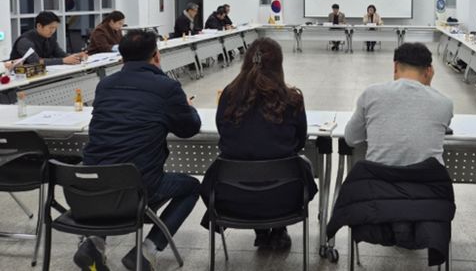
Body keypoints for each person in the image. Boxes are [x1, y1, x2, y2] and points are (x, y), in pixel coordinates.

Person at [74, 30, 201, 271]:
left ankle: (94, 243)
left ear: (122, 58)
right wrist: (188, 107)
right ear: (156, 56)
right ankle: (147, 250)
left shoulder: (105, 85)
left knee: (114, 175)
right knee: (192, 187)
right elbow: (189, 129)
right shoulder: (167, 87)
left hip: (92, 186)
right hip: (138, 186)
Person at [201, 38, 317, 249]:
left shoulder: (228, 96)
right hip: (285, 197)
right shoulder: (292, 99)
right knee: (300, 166)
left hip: (233, 197)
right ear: (279, 65)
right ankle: (278, 230)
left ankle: (261, 231)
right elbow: (299, 141)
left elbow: (223, 133)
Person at [344, 42, 453, 166]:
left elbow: (351, 138)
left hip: (379, 177)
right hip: (427, 178)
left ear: (395, 66)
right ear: (429, 71)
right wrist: (427, 87)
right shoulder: (445, 103)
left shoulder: (371, 93)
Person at [9, 11, 87, 65]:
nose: (53, 31)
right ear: (39, 26)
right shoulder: (25, 41)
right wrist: (63, 60)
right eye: (50, 28)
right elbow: (35, 61)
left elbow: (60, 54)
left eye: (55, 28)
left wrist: (76, 56)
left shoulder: (50, 38)